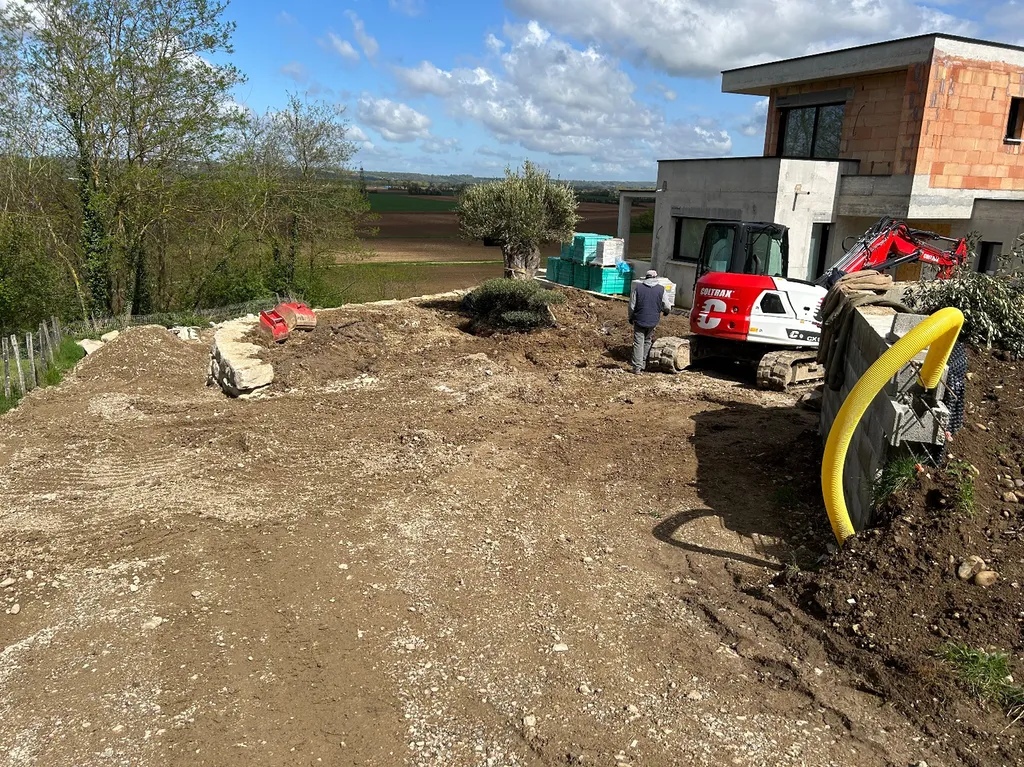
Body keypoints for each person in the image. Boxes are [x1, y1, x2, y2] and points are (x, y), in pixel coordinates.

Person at [628, 269, 670, 374]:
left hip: (639, 319)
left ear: (646, 277)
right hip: (653, 320)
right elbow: (667, 305)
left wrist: (631, 317)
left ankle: (637, 367)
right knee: (647, 340)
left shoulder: (638, 288)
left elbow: (632, 306)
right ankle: (642, 364)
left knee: (638, 342)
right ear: (656, 277)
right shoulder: (661, 289)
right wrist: (666, 311)